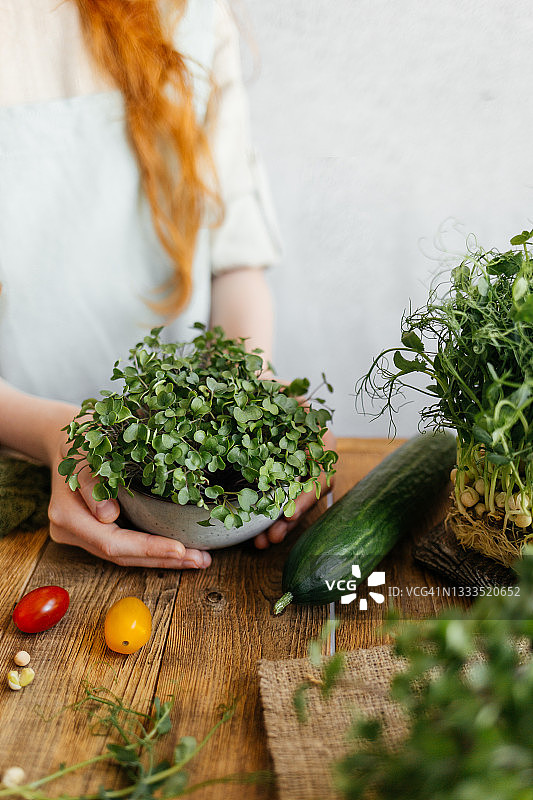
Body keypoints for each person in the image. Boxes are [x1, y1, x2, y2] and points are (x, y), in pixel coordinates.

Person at [0, 0, 333, 570]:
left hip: (180, 477)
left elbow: (234, 262)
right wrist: (48, 430)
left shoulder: (188, 13)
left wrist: (253, 388)